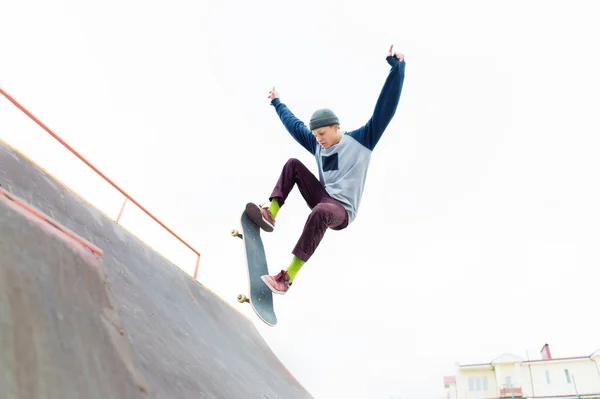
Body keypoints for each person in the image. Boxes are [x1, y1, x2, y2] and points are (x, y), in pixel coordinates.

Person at [246, 44, 406, 295]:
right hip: (322, 196)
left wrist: (397, 70)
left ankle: (287, 277)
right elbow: (294, 125)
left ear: (335, 127)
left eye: (322, 134)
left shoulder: (363, 139)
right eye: (315, 136)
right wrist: (277, 103)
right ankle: (271, 212)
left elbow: (385, 110)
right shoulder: (316, 144)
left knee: (321, 211)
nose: (319, 140)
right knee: (293, 165)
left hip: (341, 210)